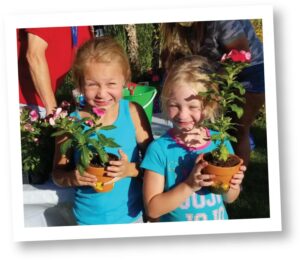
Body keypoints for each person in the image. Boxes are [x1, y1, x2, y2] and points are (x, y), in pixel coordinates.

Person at [52, 36, 153, 225]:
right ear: (80, 84)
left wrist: (130, 169)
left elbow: (156, 163)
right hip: (86, 220)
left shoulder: (132, 113)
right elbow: (57, 173)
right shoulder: (71, 123)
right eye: (92, 84)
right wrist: (72, 178)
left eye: (111, 84)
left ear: (125, 79)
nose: (102, 93)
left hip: (132, 217)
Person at [141, 56, 246, 222]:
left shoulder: (221, 143)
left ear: (209, 106)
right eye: (175, 105)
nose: (183, 115)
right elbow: (152, 210)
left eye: (193, 107)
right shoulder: (159, 150)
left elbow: (230, 198)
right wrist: (189, 185)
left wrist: (232, 184)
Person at [160, 20, 265, 166]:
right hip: (217, 74)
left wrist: (210, 83)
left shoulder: (223, 20)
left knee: (238, 129)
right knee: (210, 124)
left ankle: (236, 179)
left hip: (250, 73)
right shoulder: (177, 27)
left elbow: (241, 55)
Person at [17, 26, 92, 116]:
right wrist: (53, 112)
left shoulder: (85, 26)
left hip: (40, 103)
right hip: (23, 101)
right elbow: (34, 56)